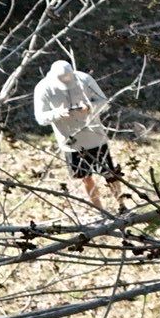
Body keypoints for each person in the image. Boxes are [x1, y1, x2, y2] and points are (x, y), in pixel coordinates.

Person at [31, 58, 123, 214]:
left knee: (110, 174)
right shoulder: (43, 88)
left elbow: (104, 103)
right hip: (71, 142)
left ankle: (122, 205)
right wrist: (57, 113)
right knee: (86, 177)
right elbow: (40, 118)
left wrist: (89, 107)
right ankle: (101, 211)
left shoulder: (85, 80)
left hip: (95, 136)